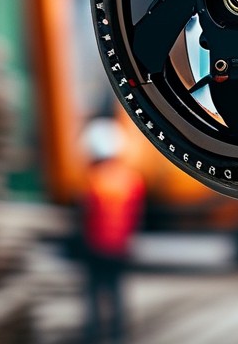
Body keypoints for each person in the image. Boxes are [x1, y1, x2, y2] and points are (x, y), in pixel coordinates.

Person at [79, 116, 146, 344]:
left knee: (93, 293)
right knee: (116, 292)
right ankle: (118, 334)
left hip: (96, 247)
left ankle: (93, 335)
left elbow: (84, 215)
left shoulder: (92, 180)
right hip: (120, 247)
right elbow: (136, 216)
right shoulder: (132, 180)